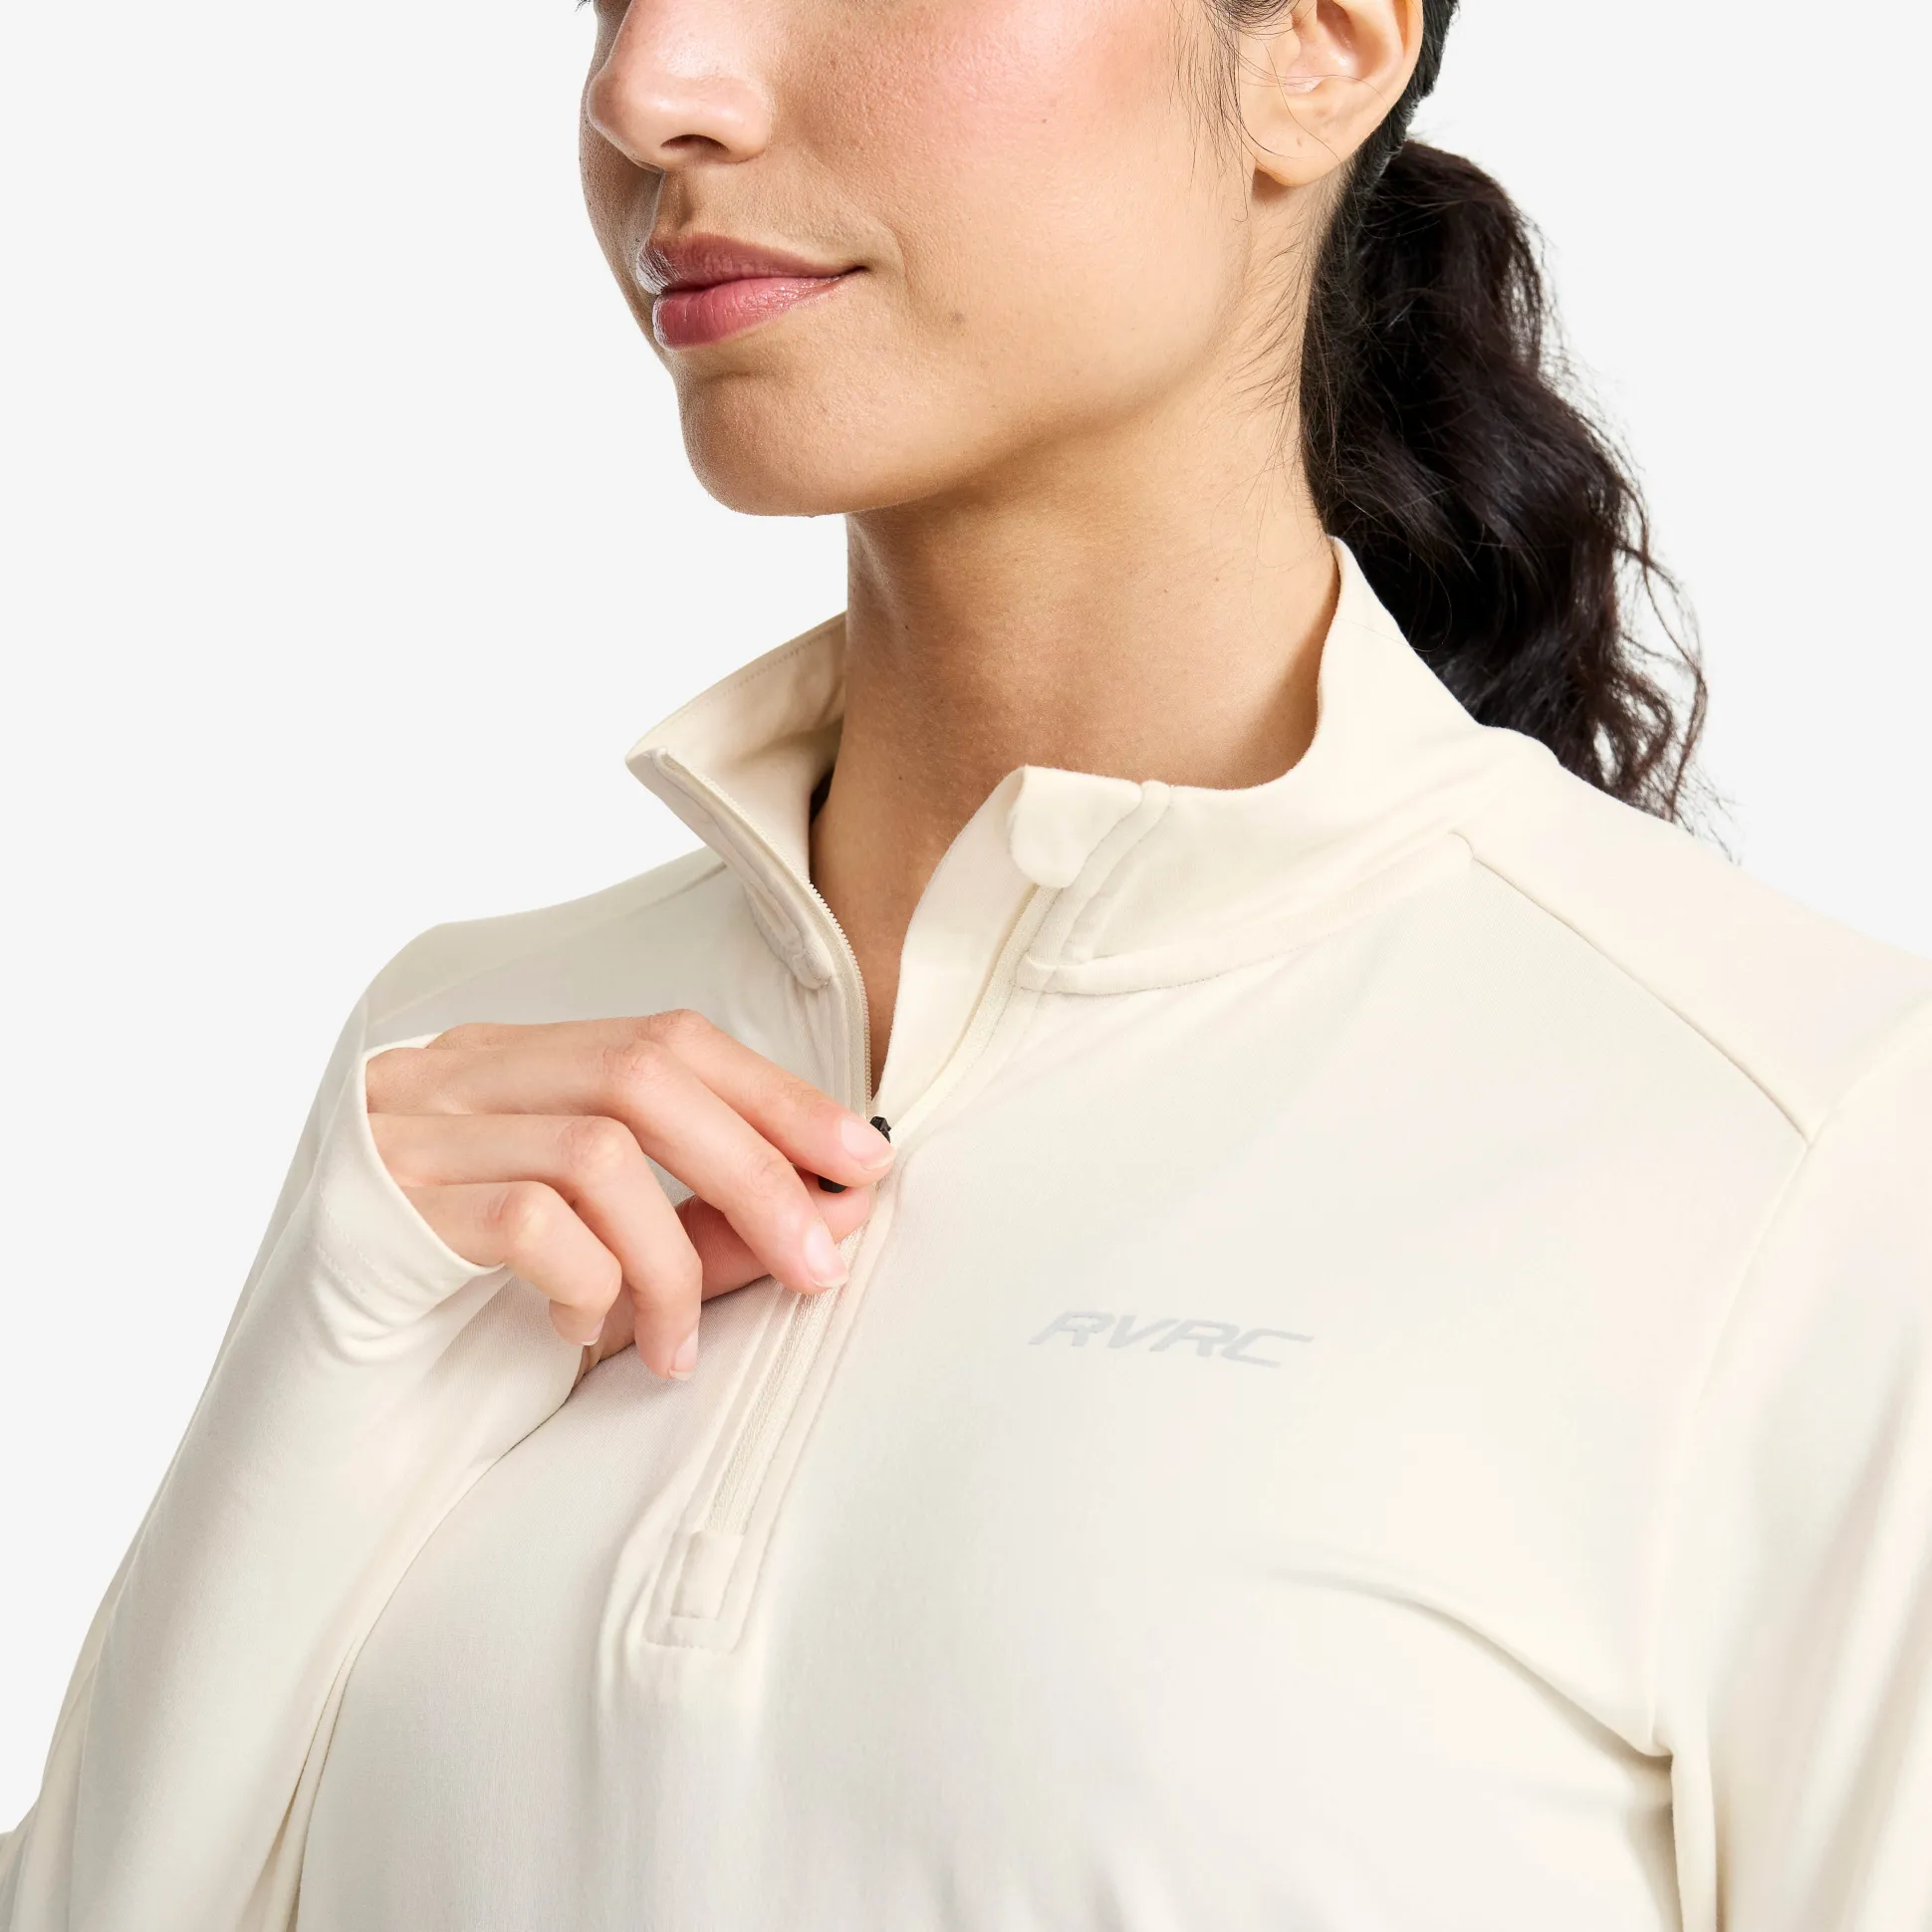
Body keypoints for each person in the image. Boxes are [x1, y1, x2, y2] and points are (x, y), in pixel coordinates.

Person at [4, 0, 1929, 1924]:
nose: (646, 88)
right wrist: (320, 1376)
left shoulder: (1811, 1149)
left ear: (1320, 46)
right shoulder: (458, 1086)